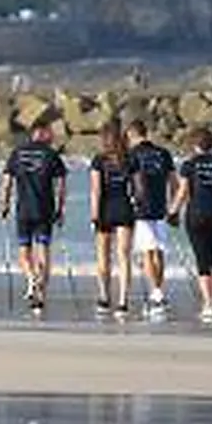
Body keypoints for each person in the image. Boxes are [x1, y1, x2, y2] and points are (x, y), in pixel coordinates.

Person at [0, 124, 67, 315]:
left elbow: (7, 182)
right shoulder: (52, 155)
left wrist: (3, 205)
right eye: (49, 134)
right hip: (45, 211)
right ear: (42, 134)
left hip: (24, 211)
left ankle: (31, 277)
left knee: (24, 251)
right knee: (43, 251)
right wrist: (61, 209)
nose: (52, 136)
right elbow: (61, 185)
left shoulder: (17, 153)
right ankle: (40, 297)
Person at [169, 126, 212, 322]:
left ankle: (207, 304)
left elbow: (182, 192)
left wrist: (173, 212)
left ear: (194, 145)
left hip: (196, 213)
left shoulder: (189, 165)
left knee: (201, 258)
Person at [126, 118, 177, 316]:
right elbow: (174, 182)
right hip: (160, 207)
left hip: (142, 208)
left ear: (132, 134)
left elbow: (135, 181)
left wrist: (132, 202)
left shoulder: (133, 155)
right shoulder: (163, 153)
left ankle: (156, 292)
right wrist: (174, 208)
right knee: (159, 251)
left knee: (147, 252)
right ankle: (158, 290)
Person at [89, 118, 137, 318]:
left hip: (105, 210)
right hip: (124, 208)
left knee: (103, 256)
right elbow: (137, 189)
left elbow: (96, 191)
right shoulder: (129, 159)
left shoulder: (99, 161)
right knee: (124, 256)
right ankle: (123, 301)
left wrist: (94, 216)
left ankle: (104, 297)